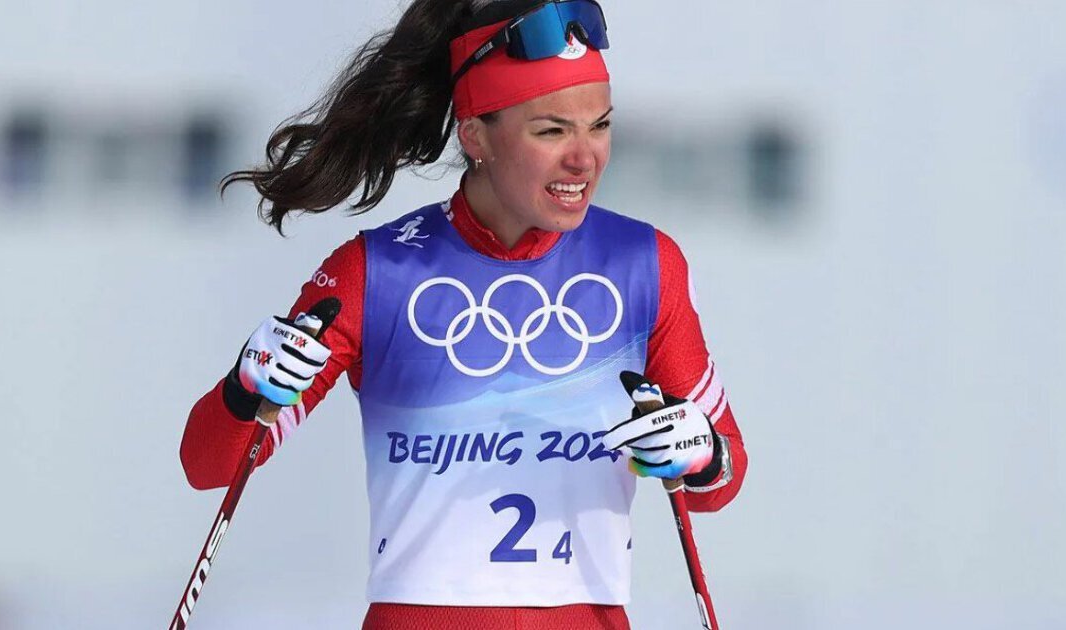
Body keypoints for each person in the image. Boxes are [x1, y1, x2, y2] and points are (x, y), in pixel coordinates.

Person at [179, 1, 748, 628]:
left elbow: (724, 481)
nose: (585, 159)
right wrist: (244, 388)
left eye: (600, 125)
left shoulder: (643, 263)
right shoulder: (378, 271)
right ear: (475, 136)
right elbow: (207, 466)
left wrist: (702, 454)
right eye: (552, 131)